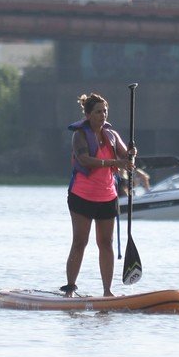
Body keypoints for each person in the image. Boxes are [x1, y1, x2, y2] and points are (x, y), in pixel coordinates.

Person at [64, 91, 135, 298]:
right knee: (80, 242)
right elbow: (84, 159)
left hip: (107, 197)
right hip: (81, 196)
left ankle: (107, 292)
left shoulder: (111, 135)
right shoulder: (80, 135)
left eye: (105, 111)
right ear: (88, 115)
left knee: (106, 243)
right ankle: (69, 289)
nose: (103, 115)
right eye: (98, 112)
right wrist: (116, 163)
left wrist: (131, 154)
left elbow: (125, 157)